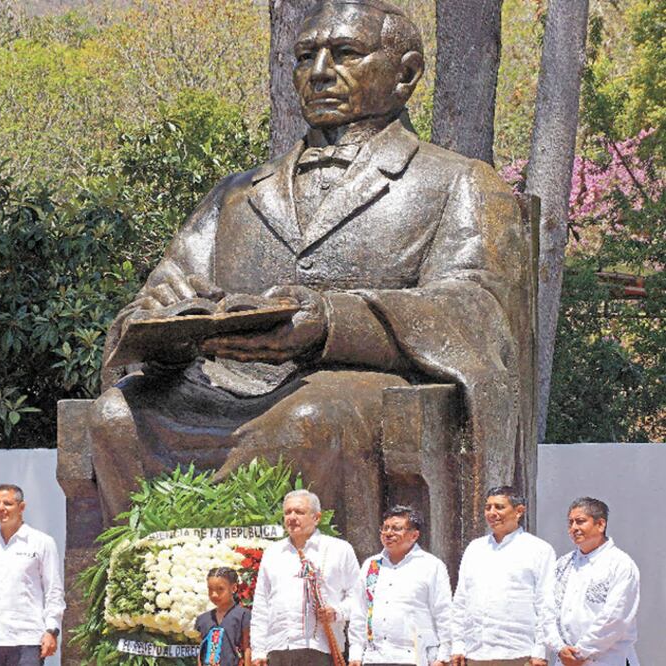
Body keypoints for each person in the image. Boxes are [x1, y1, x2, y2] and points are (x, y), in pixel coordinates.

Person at [89, 0, 533, 561]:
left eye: (345, 53)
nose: (319, 71)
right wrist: (160, 326)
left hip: (356, 383)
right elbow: (166, 287)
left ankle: (324, 598)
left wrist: (330, 322)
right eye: (305, 56)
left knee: (309, 419)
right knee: (114, 415)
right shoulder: (239, 195)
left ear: (407, 74)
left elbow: (477, 308)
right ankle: (153, 588)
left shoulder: (457, 182)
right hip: (220, 384)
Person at [0, 484, 66, 666]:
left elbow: (53, 591)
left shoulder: (42, 543)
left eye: (7, 503)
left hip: (27, 639)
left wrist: (51, 629)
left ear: (21, 507)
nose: (1, 508)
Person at [251, 489, 358, 666]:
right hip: (278, 649)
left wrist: (336, 613)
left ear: (317, 517)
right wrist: (258, 651)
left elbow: (358, 598)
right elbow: (261, 606)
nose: (292, 517)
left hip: (321, 649)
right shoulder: (273, 553)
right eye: (287, 512)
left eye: (299, 512)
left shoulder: (339, 549)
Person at [450, 486, 556, 666]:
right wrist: (457, 644)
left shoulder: (538, 550)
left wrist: (541, 651)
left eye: (499, 507)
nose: (492, 513)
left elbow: (546, 603)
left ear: (519, 511)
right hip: (474, 653)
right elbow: (461, 601)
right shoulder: (475, 548)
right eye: (488, 507)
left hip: (518, 653)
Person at [347, 506, 451, 666]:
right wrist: (355, 654)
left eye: (396, 529)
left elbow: (443, 612)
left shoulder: (431, 566)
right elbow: (359, 612)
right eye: (385, 528)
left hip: (414, 659)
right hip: (374, 658)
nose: (388, 533)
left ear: (414, 535)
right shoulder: (372, 565)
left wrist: (443, 656)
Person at [546, 497, 639, 666]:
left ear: (600, 524)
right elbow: (547, 609)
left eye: (580, 522)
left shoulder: (620, 564)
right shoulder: (563, 564)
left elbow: (614, 617)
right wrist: (559, 647)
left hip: (608, 660)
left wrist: (581, 653)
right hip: (565, 659)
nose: (574, 528)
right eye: (570, 523)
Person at [195, 567, 251, 666]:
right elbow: (201, 651)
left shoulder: (243, 615)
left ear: (233, 588)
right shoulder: (203, 619)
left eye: (220, 589)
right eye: (210, 589)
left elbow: (247, 647)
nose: (214, 594)